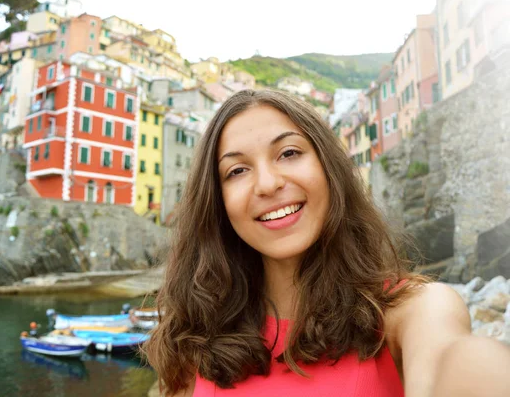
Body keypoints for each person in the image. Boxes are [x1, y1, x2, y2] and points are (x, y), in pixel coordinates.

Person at [143, 89, 510, 397]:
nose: (268, 184)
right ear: (218, 202)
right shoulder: (196, 335)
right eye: (237, 171)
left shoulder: (415, 311)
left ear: (328, 169)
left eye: (289, 153)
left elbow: (453, 364)